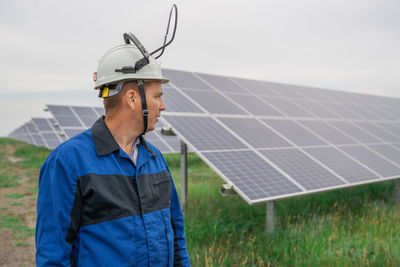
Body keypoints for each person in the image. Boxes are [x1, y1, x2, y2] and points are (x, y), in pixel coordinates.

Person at [35, 31, 190, 266]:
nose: (163, 106)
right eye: (157, 96)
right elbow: (53, 256)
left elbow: (177, 241)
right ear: (132, 98)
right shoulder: (68, 162)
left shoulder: (155, 159)